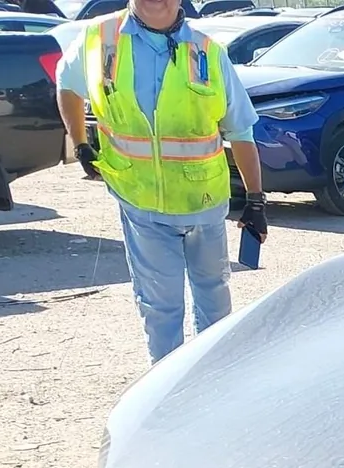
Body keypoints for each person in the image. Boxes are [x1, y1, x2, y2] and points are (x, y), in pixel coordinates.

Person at [55, 0, 266, 363]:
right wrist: (79, 143)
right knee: (161, 307)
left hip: (203, 202)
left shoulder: (208, 52)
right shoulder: (99, 40)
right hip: (142, 204)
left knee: (215, 303)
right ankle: (169, 387)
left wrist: (256, 199)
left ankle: (214, 380)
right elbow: (67, 84)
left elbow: (241, 131)